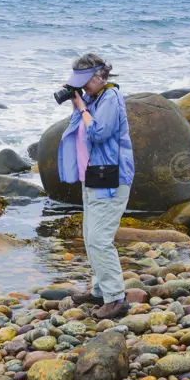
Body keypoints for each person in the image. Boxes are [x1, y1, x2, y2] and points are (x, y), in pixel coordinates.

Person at [56, 53, 135, 320]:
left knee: (100, 240)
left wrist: (83, 107)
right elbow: (79, 127)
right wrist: (77, 101)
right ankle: (101, 291)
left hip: (111, 176)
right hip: (94, 174)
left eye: (85, 82)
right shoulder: (93, 98)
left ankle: (116, 299)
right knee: (91, 237)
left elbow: (99, 133)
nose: (83, 87)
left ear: (101, 76)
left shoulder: (111, 98)